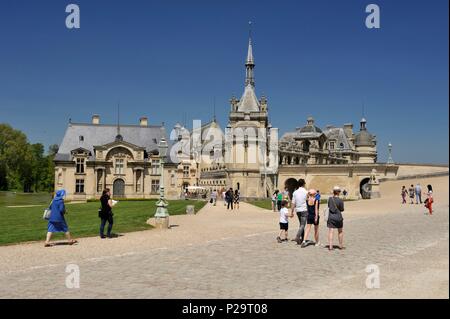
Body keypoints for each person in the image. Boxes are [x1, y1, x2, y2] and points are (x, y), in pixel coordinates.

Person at [327, 186, 344, 251]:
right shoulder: (340, 200)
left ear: (333, 192)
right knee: (340, 231)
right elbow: (342, 209)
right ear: (339, 192)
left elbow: (329, 206)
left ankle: (330, 246)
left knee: (331, 231)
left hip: (331, 217)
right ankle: (340, 245)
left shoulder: (330, 199)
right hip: (338, 217)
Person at [291, 179, 308, 245]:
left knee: (301, 224)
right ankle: (297, 236)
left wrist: (292, 212)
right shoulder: (306, 192)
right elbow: (308, 201)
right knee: (302, 225)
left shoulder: (295, 192)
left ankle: (302, 238)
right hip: (304, 209)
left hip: (298, 210)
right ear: (303, 184)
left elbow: (293, 203)